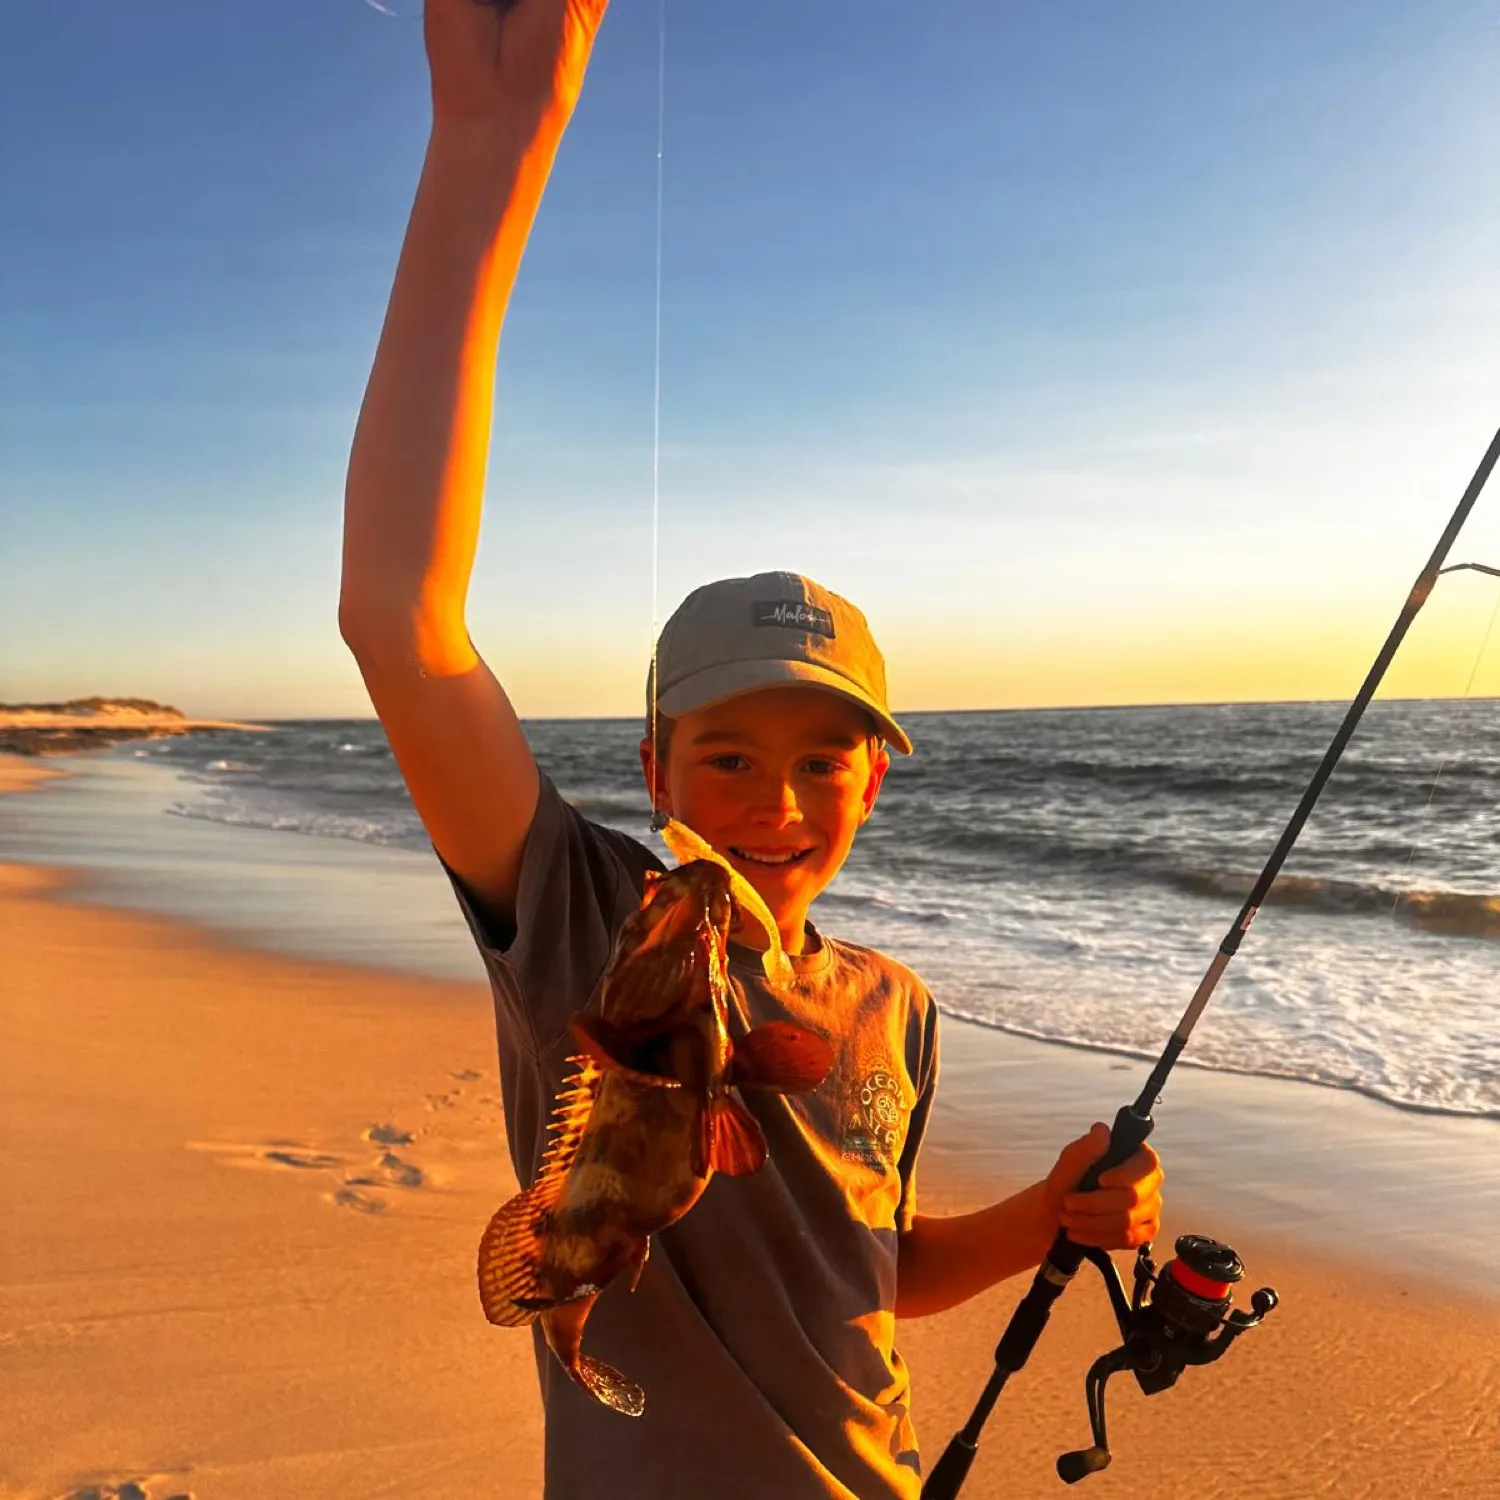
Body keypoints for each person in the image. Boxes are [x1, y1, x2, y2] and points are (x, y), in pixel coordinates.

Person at [338, 3, 1164, 1496]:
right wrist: (485, 153)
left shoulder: (898, 1008)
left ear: (875, 777)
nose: (775, 801)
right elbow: (401, 622)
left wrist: (1049, 1215)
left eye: (822, 761)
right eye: (726, 757)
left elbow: (875, 1271)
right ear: (655, 770)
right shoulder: (586, 924)